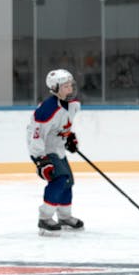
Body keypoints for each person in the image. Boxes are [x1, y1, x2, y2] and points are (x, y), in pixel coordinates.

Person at [27, 69, 82, 235]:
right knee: (59, 180)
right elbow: (35, 137)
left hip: (58, 149)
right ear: (55, 89)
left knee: (68, 182)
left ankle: (65, 217)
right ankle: (44, 218)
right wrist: (41, 160)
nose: (70, 89)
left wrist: (69, 138)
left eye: (70, 85)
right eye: (65, 86)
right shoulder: (47, 110)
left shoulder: (72, 105)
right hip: (45, 151)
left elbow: (62, 126)